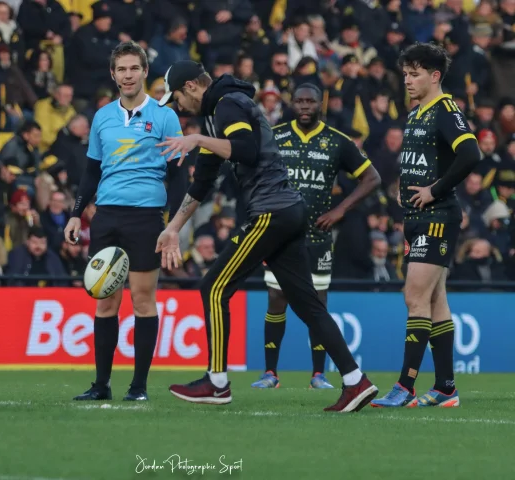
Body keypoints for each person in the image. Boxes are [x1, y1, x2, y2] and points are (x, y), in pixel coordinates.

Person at [155, 60, 379, 412]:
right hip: (287, 212)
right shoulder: (216, 113)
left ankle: (216, 383)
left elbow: (247, 150)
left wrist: (198, 138)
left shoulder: (227, 104)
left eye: (177, 99)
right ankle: (356, 381)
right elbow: (203, 181)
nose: (177, 108)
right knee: (308, 304)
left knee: (213, 288)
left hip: (271, 212)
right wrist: (173, 228)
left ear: (192, 87)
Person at [64, 41, 186, 402]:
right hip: (107, 217)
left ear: (145, 72)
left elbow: (178, 176)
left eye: (134, 68)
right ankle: (101, 385)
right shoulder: (102, 117)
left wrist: (174, 226)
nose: (128, 75)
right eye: (122, 69)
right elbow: (91, 172)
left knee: (143, 301)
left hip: (147, 219)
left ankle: (139, 387)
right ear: (113, 74)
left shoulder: (165, 115)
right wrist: (75, 213)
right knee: (104, 302)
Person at [371, 43, 481, 408]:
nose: (408, 81)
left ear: (435, 76)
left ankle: (405, 387)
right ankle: (446, 388)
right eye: (405, 74)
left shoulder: (446, 110)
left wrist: (434, 189)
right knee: (435, 301)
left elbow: (471, 153)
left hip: (437, 218)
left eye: (415, 74)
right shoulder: (417, 113)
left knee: (413, 297)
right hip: (416, 220)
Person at [252, 84, 381, 390]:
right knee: (276, 297)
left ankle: (318, 374)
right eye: (300, 101)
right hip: (280, 234)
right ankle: (270, 373)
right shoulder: (275, 135)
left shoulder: (337, 141)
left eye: (311, 101)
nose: (305, 106)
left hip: (318, 236)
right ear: (291, 103)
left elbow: (372, 178)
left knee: (318, 303)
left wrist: (340, 211)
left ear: (320, 104)